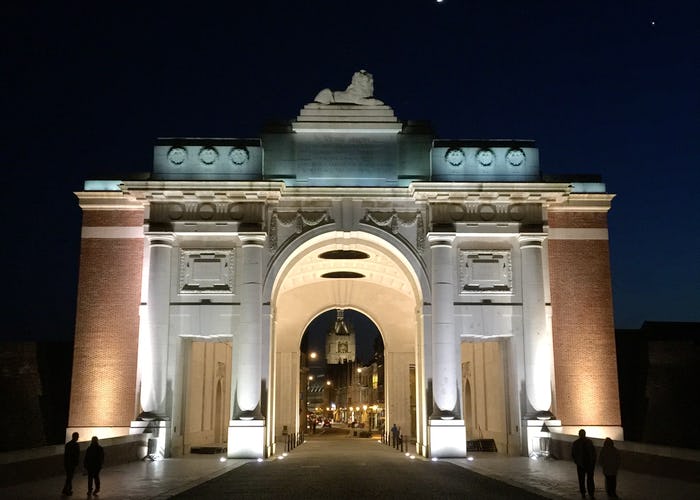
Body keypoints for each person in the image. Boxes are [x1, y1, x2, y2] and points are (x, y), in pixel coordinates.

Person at [571, 429, 596, 498]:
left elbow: (573, 454)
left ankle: (587, 493)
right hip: (583, 464)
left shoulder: (576, 443)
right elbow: (593, 453)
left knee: (584, 479)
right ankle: (588, 493)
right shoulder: (589, 442)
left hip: (584, 464)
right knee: (587, 479)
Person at [62, 432, 80, 496]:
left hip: (67, 463)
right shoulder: (76, 445)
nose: (78, 438)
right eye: (77, 436)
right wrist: (76, 462)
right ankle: (67, 490)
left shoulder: (68, 444)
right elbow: (77, 455)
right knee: (70, 477)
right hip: (72, 464)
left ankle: (67, 489)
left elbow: (66, 455)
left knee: (69, 477)